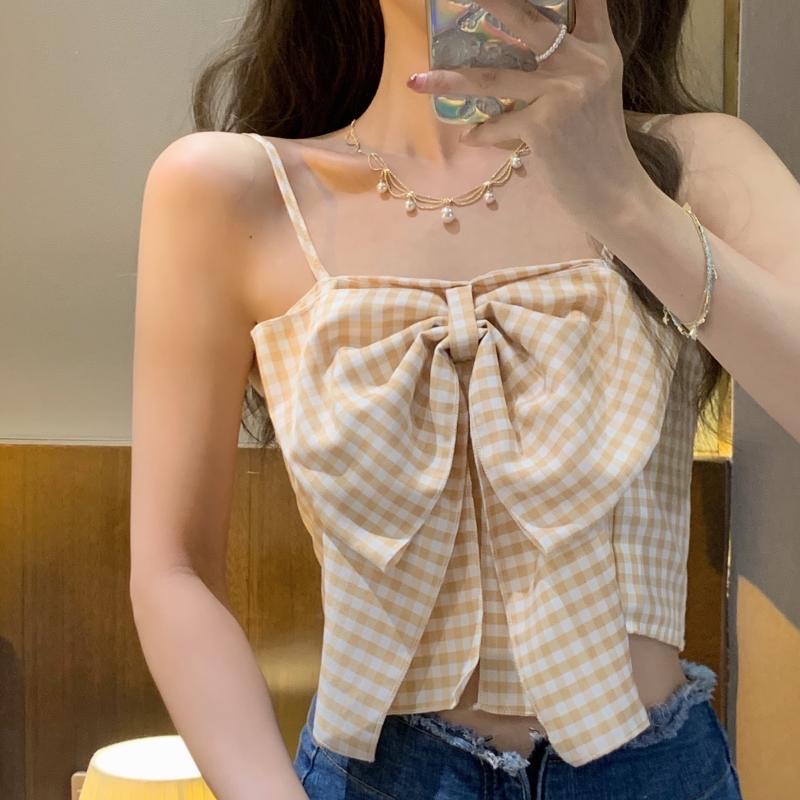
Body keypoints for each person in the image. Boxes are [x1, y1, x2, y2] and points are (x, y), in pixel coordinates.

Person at [130, 0, 800, 798]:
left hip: (650, 769)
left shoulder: (694, 162)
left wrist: (623, 197)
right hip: (380, 774)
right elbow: (173, 568)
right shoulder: (232, 191)